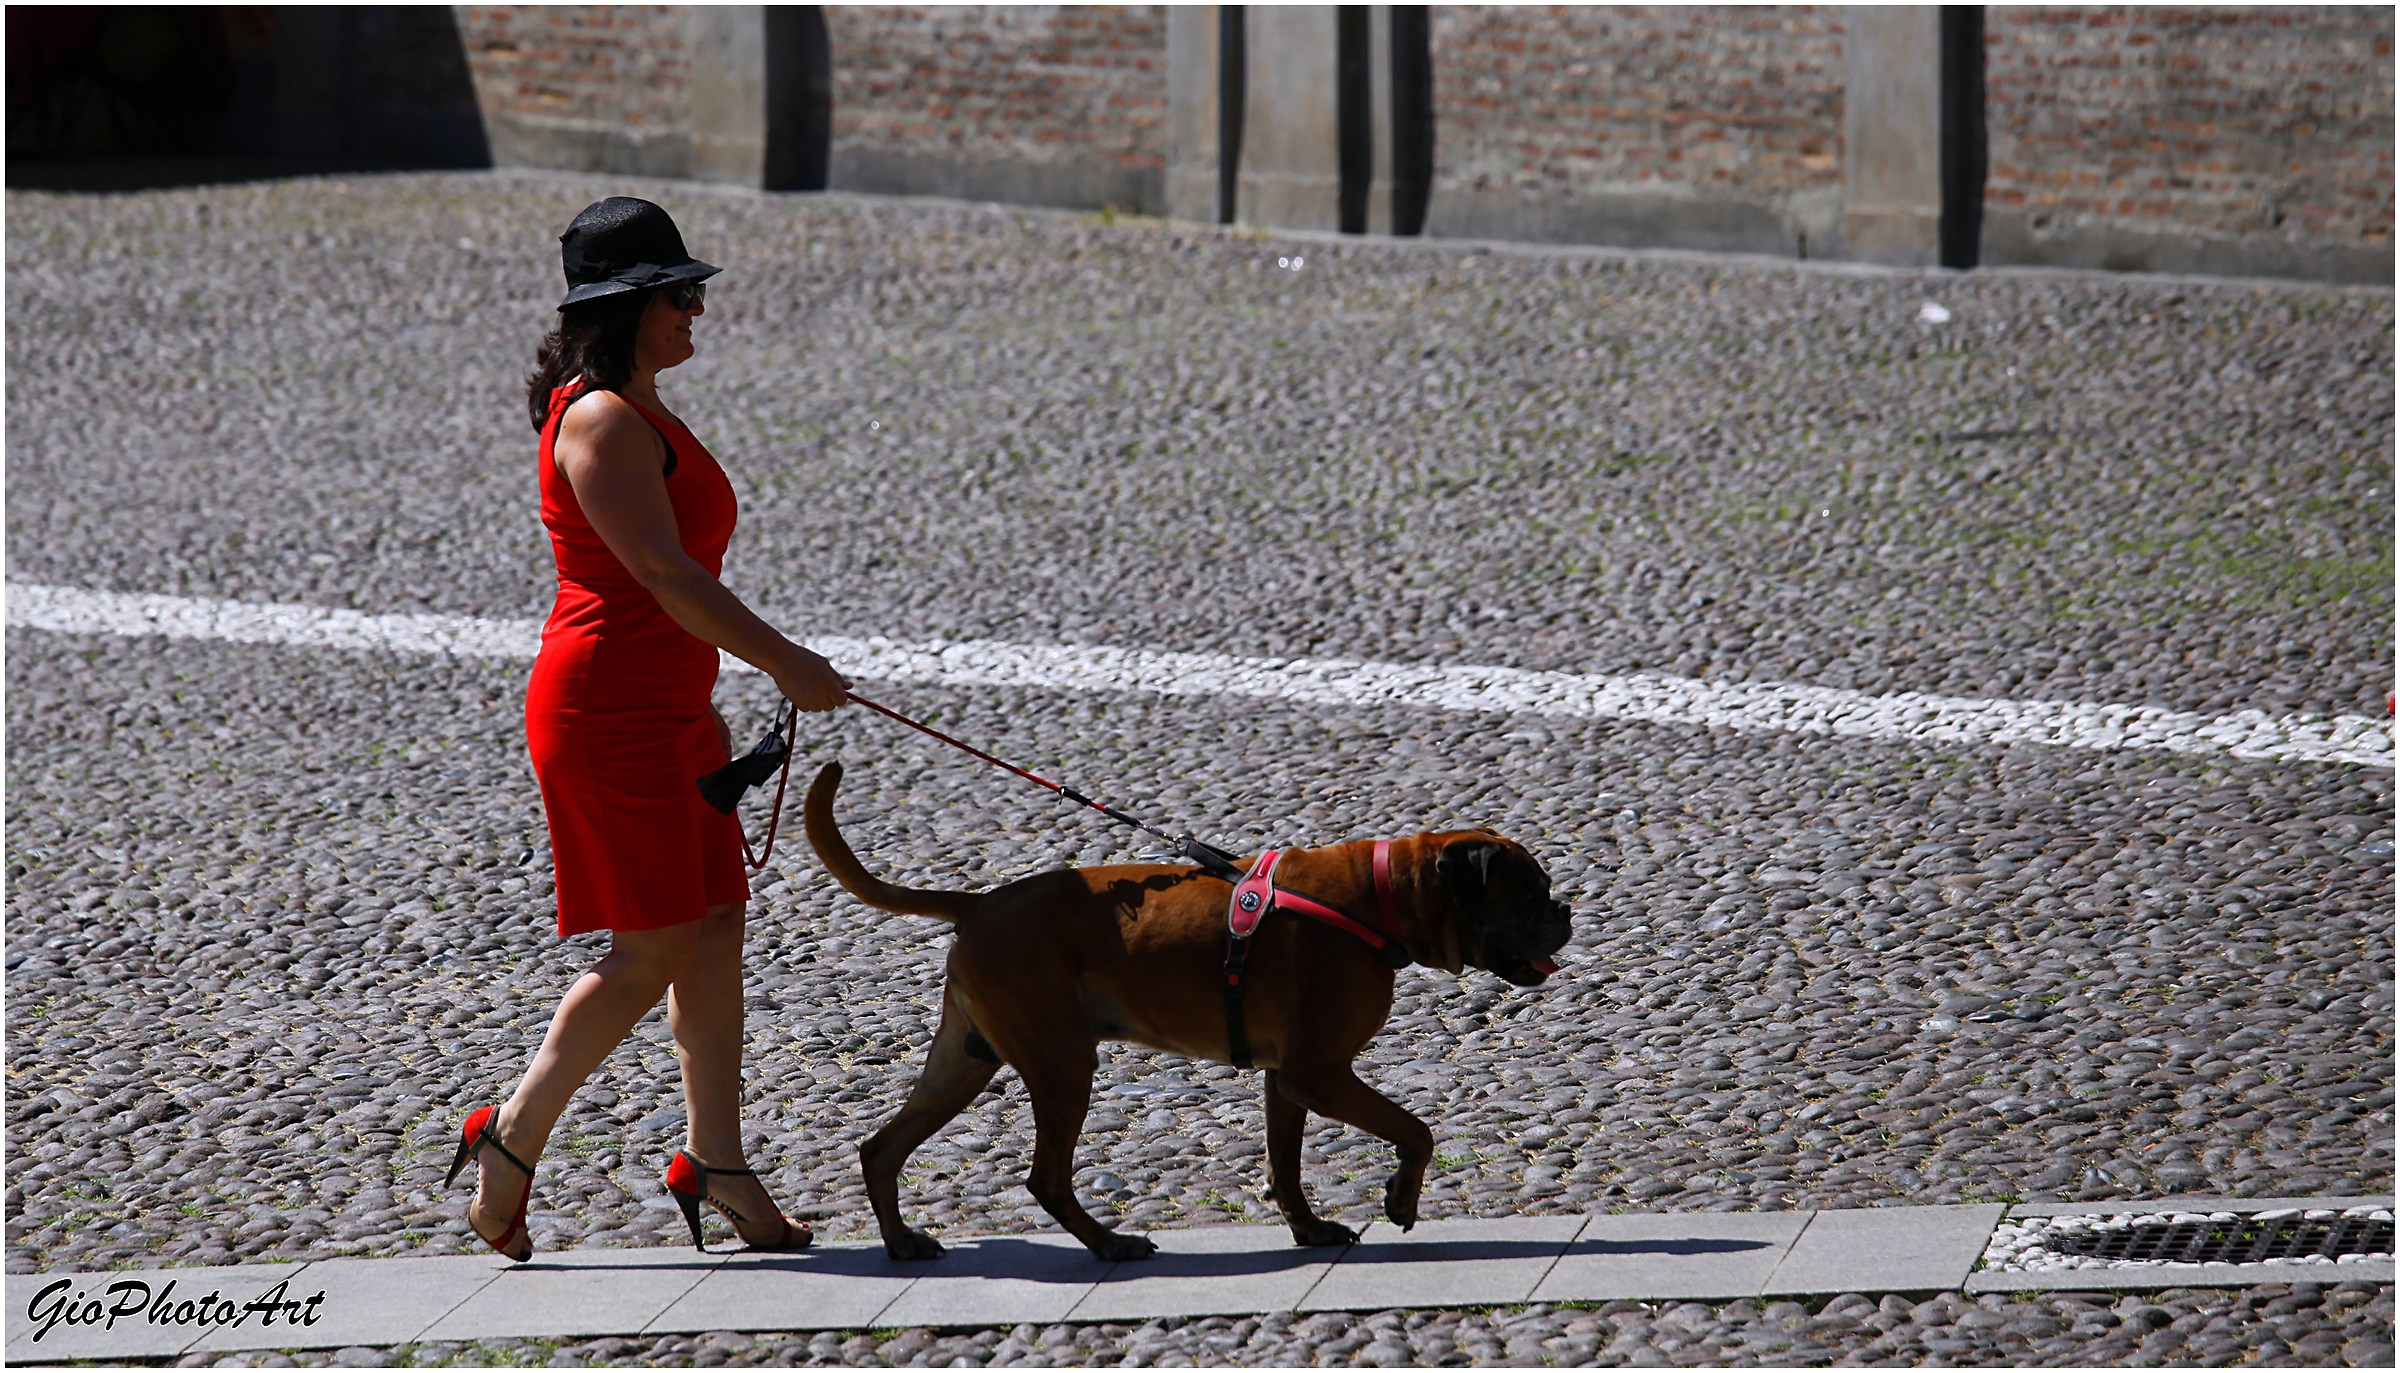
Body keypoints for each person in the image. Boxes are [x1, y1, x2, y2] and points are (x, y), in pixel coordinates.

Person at [443, 197, 850, 1261]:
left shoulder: (637, 402)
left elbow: (679, 577)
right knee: (654, 943)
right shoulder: (602, 421)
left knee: (716, 924)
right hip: (606, 712)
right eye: (681, 293)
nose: (698, 310)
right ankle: (511, 1133)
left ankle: (718, 1158)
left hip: (669, 707)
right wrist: (785, 662)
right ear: (627, 304)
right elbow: (665, 574)